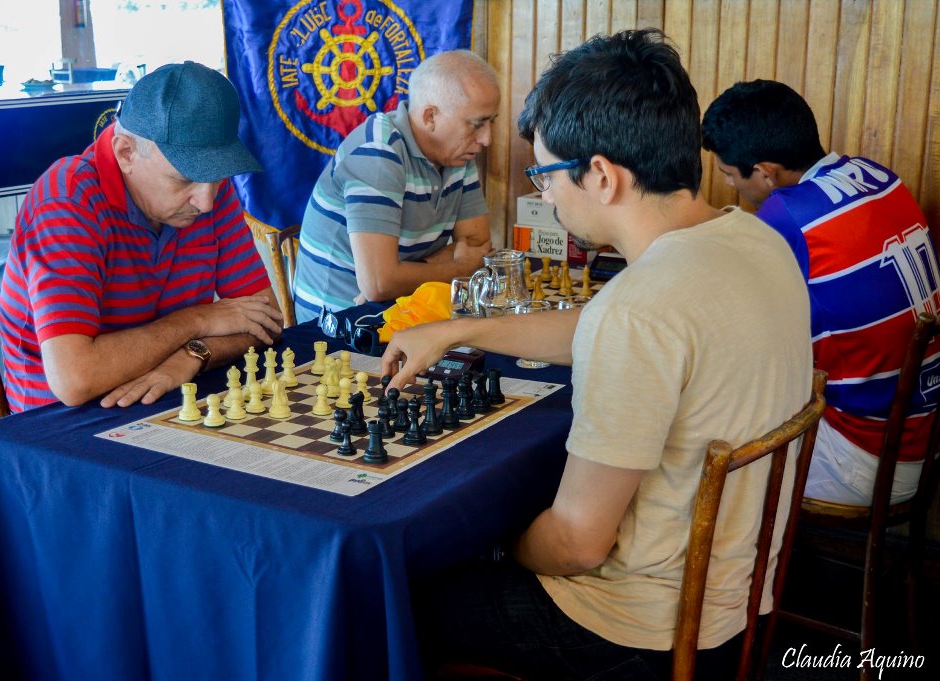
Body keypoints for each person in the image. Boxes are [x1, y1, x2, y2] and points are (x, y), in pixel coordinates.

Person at [381, 30, 812, 680]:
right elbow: (601, 325)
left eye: (547, 174)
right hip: (745, 598)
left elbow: (578, 546)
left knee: (392, 598)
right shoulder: (754, 240)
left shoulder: (637, 312)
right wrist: (458, 330)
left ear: (603, 176)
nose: (546, 195)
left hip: (631, 629)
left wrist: (499, 541)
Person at [702, 79, 940, 505]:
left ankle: (730, 570)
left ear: (766, 173)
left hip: (867, 458)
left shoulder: (787, 212)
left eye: (729, 176)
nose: (735, 190)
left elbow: (735, 331)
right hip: (924, 434)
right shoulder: (876, 175)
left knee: (695, 445)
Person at [0, 61, 282, 413]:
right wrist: (199, 320)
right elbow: (76, 380)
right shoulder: (67, 202)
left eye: (217, 176)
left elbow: (266, 319)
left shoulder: (209, 190)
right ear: (126, 153)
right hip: (59, 422)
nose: (206, 202)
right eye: (184, 179)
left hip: (172, 396)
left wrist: (192, 355)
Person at [292, 49, 498, 323]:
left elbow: (477, 245)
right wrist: (458, 266)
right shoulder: (377, 150)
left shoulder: (458, 153)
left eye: (491, 122)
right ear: (429, 117)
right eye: (476, 125)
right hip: (337, 326)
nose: (487, 139)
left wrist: (402, 277)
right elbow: (379, 284)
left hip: (400, 308)